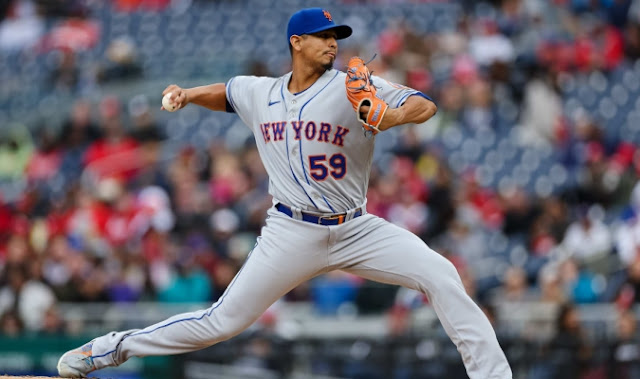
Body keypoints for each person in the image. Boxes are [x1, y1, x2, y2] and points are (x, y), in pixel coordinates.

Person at [57, 8, 512, 379]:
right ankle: (107, 350)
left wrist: (387, 116)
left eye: (336, 36)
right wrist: (188, 94)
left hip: (356, 227)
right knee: (222, 322)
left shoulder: (353, 87)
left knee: (441, 273)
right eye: (322, 36)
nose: (333, 43)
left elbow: (424, 104)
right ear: (296, 42)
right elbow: (229, 93)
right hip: (290, 231)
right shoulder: (263, 92)